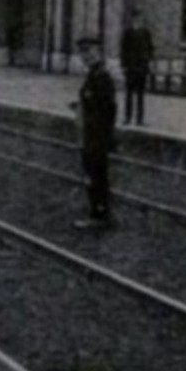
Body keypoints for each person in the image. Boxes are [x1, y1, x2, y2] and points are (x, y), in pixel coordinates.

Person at [71, 36, 118, 228]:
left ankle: (99, 215)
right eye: (83, 52)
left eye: (90, 52)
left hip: (96, 135)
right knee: (93, 174)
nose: (86, 56)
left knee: (96, 175)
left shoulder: (102, 78)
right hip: (89, 133)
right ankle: (99, 212)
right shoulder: (93, 75)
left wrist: (103, 134)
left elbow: (109, 108)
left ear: (99, 53)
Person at [118, 9, 155, 126]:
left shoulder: (146, 33)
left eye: (140, 19)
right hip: (130, 67)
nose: (138, 21)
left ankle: (140, 119)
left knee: (140, 95)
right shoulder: (127, 33)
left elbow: (150, 48)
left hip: (142, 68)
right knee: (129, 94)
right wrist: (124, 65)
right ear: (132, 20)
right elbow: (123, 50)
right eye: (136, 19)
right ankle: (127, 117)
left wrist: (148, 60)